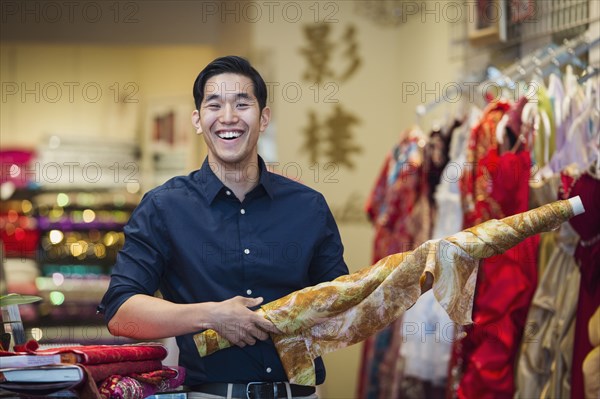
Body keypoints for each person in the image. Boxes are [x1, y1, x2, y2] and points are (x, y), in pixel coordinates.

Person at [98, 55, 349, 399]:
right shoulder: (164, 207)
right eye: (214, 105)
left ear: (263, 119)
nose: (228, 117)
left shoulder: (308, 207)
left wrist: (396, 284)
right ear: (198, 120)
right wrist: (212, 315)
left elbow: (339, 309)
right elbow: (121, 313)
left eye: (242, 104)